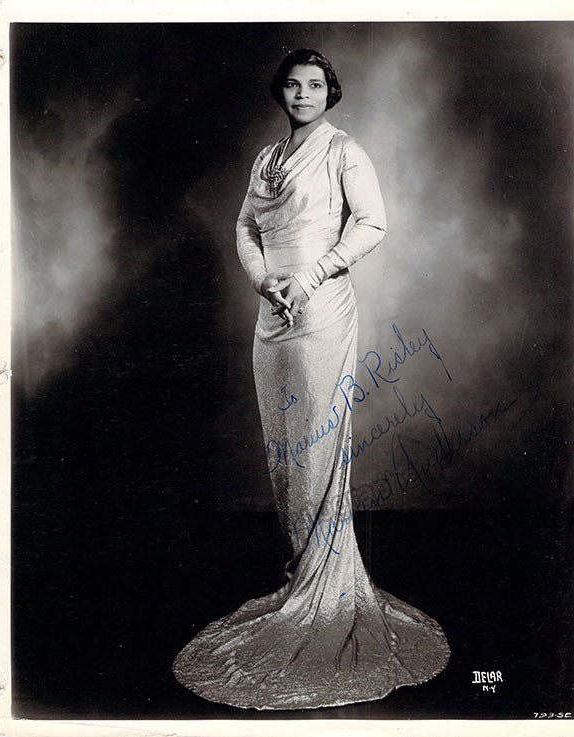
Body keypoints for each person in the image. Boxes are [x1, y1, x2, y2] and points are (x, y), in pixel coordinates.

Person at [172, 48, 450, 710]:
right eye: (293, 85)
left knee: (318, 447)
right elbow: (245, 226)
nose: (303, 94)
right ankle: (304, 574)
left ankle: (327, 591)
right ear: (281, 93)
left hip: (321, 310)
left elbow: (373, 222)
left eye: (315, 85)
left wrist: (311, 275)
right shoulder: (266, 159)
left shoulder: (343, 151)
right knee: (285, 449)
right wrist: (264, 280)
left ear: (331, 93)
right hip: (272, 314)